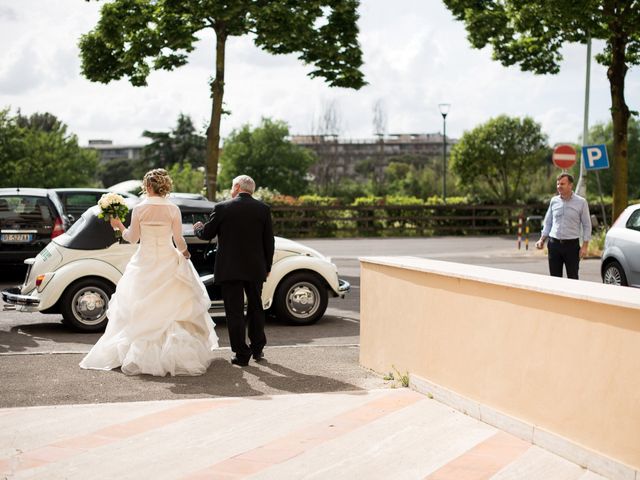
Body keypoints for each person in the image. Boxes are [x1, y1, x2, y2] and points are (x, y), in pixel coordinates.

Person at [80, 169, 218, 376]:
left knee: (140, 306)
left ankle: (140, 356)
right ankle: (174, 356)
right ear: (164, 186)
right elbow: (179, 239)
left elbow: (132, 238)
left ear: (149, 186)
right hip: (168, 260)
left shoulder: (139, 208)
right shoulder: (173, 209)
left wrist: (118, 225)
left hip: (144, 262)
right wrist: (185, 253)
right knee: (173, 308)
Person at [194, 175, 274, 367]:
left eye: (232, 186)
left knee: (235, 312)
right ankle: (257, 348)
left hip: (230, 268)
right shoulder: (263, 209)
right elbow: (268, 241)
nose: (231, 189)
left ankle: (241, 354)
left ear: (237, 187)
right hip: (255, 268)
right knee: (256, 308)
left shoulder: (222, 208)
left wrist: (198, 227)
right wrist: (268, 267)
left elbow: (207, 234)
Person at [535, 173, 592, 279]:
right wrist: (542, 239)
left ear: (570, 185)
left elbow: (587, 225)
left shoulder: (581, 202)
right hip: (554, 245)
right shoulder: (554, 201)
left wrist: (585, 246)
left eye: (562, 184)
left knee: (573, 277)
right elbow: (548, 222)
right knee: (555, 278)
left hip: (572, 246)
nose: (559, 186)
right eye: (557, 184)